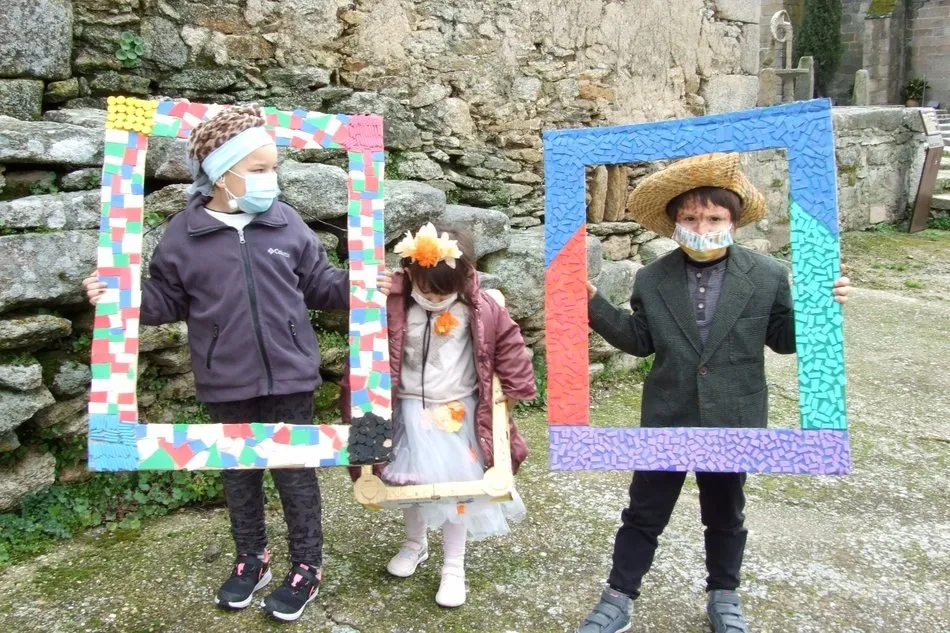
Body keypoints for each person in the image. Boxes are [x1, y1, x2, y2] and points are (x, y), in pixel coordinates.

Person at [83, 105, 391, 622]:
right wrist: (119, 297)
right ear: (222, 174)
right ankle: (252, 559)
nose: (272, 179)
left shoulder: (287, 223)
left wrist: (360, 285)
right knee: (239, 473)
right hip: (225, 378)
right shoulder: (184, 234)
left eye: (274, 167)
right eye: (259, 169)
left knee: (295, 474)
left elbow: (319, 284)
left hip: (291, 375)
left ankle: (306, 566)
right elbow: (165, 300)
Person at [576, 153, 850, 633]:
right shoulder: (652, 278)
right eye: (690, 218)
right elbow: (640, 341)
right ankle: (618, 597)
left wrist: (822, 309)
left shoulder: (766, 275)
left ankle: (724, 595)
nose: (702, 227)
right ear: (674, 223)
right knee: (643, 512)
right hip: (668, 415)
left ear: (734, 222)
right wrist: (591, 303)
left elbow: (784, 340)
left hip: (734, 417)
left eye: (714, 218)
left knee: (725, 514)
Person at [346, 222, 536, 607]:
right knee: (411, 486)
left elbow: (509, 346)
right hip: (409, 411)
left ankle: (454, 564)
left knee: (457, 490)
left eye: (442, 293)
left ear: (463, 279)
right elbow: (367, 346)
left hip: (457, 413)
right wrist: (384, 295)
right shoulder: (396, 303)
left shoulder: (481, 308)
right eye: (425, 289)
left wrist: (514, 392)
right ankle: (415, 544)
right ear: (411, 272)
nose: (433, 298)